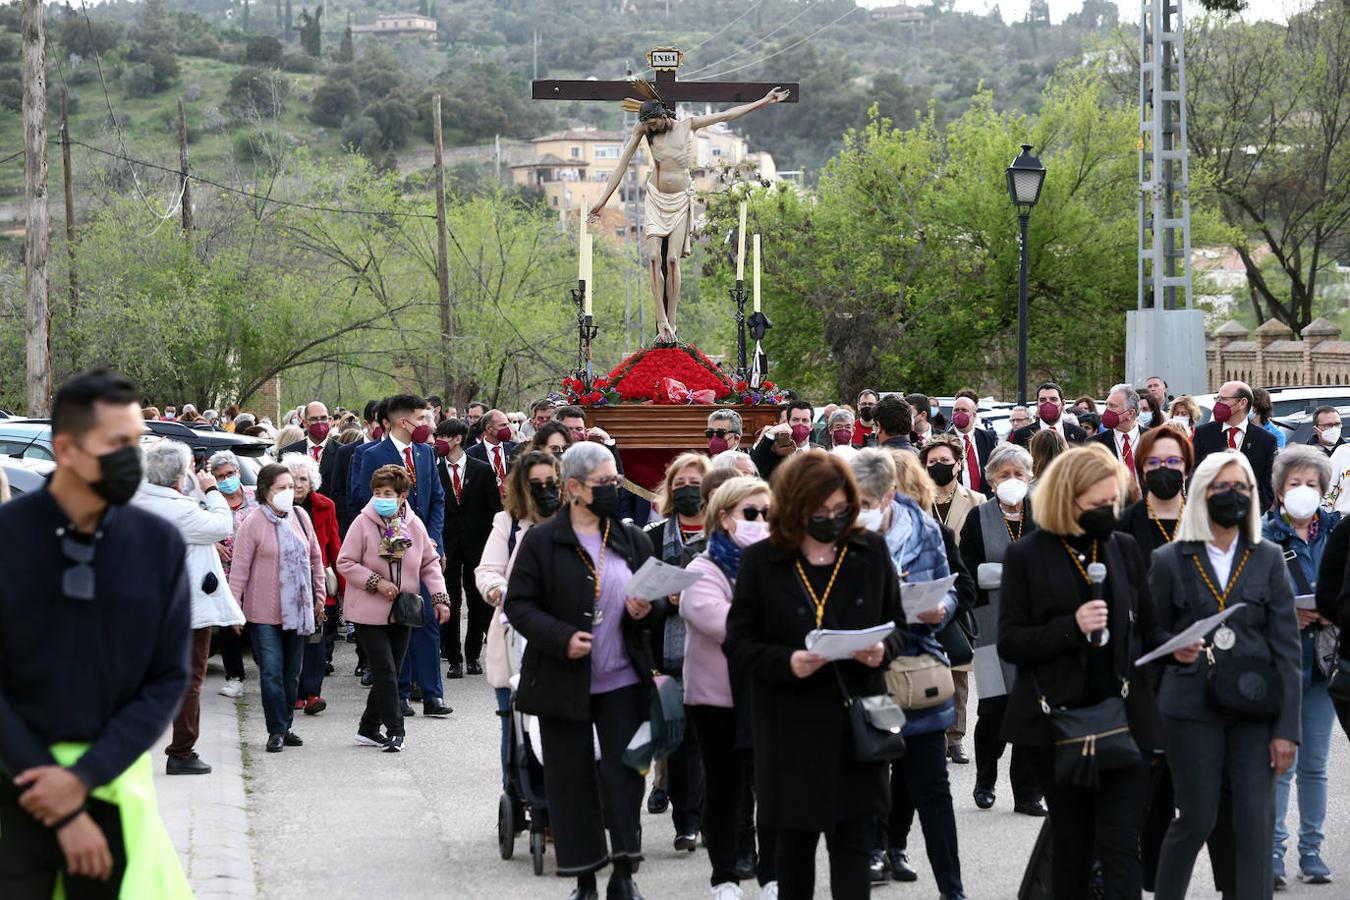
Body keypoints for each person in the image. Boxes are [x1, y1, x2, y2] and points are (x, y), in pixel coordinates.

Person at [0, 370, 192, 897]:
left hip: (113, 784)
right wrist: (54, 795)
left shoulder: (157, 546)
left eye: (137, 441)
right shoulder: (8, 539)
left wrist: (83, 778)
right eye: (117, 444)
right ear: (66, 448)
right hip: (15, 787)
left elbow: (167, 678)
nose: (133, 457)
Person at [725, 451, 901, 900]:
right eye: (818, 513)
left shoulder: (869, 550)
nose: (830, 520)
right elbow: (739, 643)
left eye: (840, 511)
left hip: (856, 726)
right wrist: (787, 662)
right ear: (794, 507)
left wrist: (881, 650)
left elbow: (898, 626)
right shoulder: (763, 560)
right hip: (790, 729)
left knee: (853, 857)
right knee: (793, 860)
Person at [1000, 446, 1167, 899]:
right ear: (1065, 498)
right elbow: (1012, 641)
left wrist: (1174, 653)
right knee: (1072, 846)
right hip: (1053, 725)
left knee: (1119, 848)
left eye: (1113, 503)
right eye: (1096, 505)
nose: (1107, 513)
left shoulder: (1125, 547)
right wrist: (1071, 628)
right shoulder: (1027, 556)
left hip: (1123, 719)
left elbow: (1149, 629)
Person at [505, 441, 659, 900]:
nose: (615, 488)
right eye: (605, 482)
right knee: (571, 783)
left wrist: (645, 609)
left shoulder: (632, 538)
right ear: (573, 487)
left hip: (623, 683)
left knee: (624, 778)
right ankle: (585, 878)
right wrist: (561, 638)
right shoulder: (543, 540)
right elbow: (519, 604)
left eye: (616, 480)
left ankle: (624, 874)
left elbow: (654, 604)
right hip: (562, 683)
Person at [1150, 451, 1301, 900]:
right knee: (1197, 817)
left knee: (1255, 822)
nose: (1232, 496)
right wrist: (1172, 650)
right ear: (1201, 494)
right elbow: (1148, 637)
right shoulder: (1168, 559)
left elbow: (1288, 650)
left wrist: (1286, 731)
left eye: (1241, 488)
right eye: (1222, 488)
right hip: (1190, 709)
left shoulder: (1269, 557)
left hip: (1256, 708)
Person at [849, 450, 966, 898]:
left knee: (932, 787)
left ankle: (952, 889)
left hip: (917, 669)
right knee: (868, 786)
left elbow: (951, 585)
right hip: (862, 675)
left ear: (891, 495)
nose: (861, 509)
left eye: (870, 500)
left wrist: (941, 608)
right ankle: (875, 853)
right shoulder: (838, 534)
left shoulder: (926, 529)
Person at [587, 89, 789, 342]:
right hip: (655, 197)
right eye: (647, 125)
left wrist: (765, 101)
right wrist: (602, 201)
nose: (650, 128)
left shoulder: (688, 125)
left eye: (653, 123)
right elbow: (622, 164)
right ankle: (660, 320)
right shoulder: (644, 131)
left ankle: (672, 321)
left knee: (672, 260)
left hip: (681, 199)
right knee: (652, 258)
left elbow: (727, 114)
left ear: (662, 115)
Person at [680, 475, 779, 900]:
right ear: (724, 518)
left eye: (768, 514)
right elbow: (725, 624)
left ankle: (774, 874)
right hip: (716, 699)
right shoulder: (702, 568)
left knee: (773, 789)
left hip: (771, 694)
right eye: (751, 514)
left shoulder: (781, 563)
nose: (761, 522)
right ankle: (724, 876)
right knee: (725, 790)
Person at [132, 440, 243, 775]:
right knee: (190, 680)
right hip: (186, 611)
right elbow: (223, 525)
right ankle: (181, 752)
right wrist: (211, 490)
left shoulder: (140, 501)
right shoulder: (178, 510)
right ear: (180, 476)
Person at [1261, 445, 1338, 887]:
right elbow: (1250, 597)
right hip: (1281, 662)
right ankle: (1272, 853)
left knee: (1315, 764)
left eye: (1311, 484)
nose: (1303, 491)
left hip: (1324, 663)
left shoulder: (1336, 533)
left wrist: (1332, 608)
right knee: (1280, 762)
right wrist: (1287, 610)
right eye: (1295, 484)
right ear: (1279, 490)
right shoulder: (1266, 536)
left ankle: (1312, 851)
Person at [337, 464, 451, 752]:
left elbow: (429, 562)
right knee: (386, 672)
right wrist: (375, 581)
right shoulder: (362, 523)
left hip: (403, 610)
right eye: (377, 492)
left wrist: (439, 597)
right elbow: (345, 562)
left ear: (402, 496)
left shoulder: (414, 524)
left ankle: (367, 728)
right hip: (367, 611)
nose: (381, 497)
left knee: (391, 670)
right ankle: (396, 730)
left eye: (388, 492)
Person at [958, 443, 1046, 816]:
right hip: (992, 626)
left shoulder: (1042, 515)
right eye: (1004, 475)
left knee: (1030, 711)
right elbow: (971, 573)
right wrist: (1021, 574)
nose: (1012, 481)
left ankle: (1027, 794)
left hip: (1035, 629)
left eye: (1019, 475)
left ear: (1030, 479)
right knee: (994, 709)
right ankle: (985, 779)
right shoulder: (979, 518)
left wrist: (1006, 574)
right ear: (992, 480)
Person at [352, 394, 451, 718]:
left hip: (423, 551)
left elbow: (437, 498)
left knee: (429, 620)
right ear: (401, 421)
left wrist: (433, 542)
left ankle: (433, 694)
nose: (427, 425)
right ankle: (402, 692)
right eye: (422, 419)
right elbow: (361, 500)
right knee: (400, 620)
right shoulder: (371, 453)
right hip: (387, 555)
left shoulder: (425, 453)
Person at [475, 450, 563, 785]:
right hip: (517, 637)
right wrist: (500, 591)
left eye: (550, 483)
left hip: (563, 635)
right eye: (535, 484)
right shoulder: (508, 523)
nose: (544, 490)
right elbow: (488, 570)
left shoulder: (574, 520)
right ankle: (518, 791)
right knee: (514, 727)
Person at [228, 463, 326, 753]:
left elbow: (315, 558)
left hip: (298, 610)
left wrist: (319, 594)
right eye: (280, 488)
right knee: (271, 671)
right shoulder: (253, 523)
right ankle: (276, 730)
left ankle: (287, 724)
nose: (288, 492)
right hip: (263, 613)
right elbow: (239, 570)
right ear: (265, 492)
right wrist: (234, 608)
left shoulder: (301, 516)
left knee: (291, 674)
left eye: (290, 486)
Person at [643, 452, 711, 851]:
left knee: (710, 745)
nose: (687, 491)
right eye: (679, 484)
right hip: (665, 656)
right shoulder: (652, 538)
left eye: (695, 484)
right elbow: (636, 598)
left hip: (714, 654)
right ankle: (686, 822)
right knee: (681, 743)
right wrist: (668, 600)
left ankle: (710, 817)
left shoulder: (725, 534)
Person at [921, 434, 985, 764]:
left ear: (958, 464)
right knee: (927, 663)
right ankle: (927, 730)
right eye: (932, 463)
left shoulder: (976, 499)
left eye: (945, 461)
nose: (939, 467)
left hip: (961, 590)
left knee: (959, 666)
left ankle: (954, 737)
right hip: (925, 591)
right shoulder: (917, 501)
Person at [436, 418, 502, 678]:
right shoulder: (435, 468)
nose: (438, 442)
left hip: (477, 543)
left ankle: (473, 654)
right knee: (450, 600)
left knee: (479, 602)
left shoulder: (482, 469)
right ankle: (454, 658)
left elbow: (494, 507)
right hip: (447, 545)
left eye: (443, 437)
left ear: (457, 439)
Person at [283, 453, 342, 716]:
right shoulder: (278, 507)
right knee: (293, 639)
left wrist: (342, 584)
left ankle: (312, 693)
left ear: (312, 482)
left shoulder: (325, 505)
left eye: (303, 479)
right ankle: (294, 693)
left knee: (316, 641)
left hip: (318, 579)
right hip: (288, 581)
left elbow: (334, 543)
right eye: (293, 479)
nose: (298, 484)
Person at [209, 450, 255, 699]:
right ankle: (235, 676)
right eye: (221, 476)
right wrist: (213, 544)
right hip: (225, 575)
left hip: (256, 573)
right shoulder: (210, 502)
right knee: (229, 626)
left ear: (238, 472)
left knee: (258, 624)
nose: (227, 479)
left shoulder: (256, 497)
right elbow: (197, 530)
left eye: (230, 473)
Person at [1192, 381, 1279, 512]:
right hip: (1210, 515)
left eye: (1224, 399)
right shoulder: (1203, 434)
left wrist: (1249, 513)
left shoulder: (1266, 440)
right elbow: (1194, 476)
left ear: (1242, 403)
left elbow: (1267, 485)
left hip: (1249, 518)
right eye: (1217, 398)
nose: (1218, 404)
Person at [1116, 425, 1192, 561]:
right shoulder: (1123, 524)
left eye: (1173, 461)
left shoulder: (1205, 519)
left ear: (1186, 469)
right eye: (1153, 462)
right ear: (1142, 470)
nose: (1163, 467)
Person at [279, 401, 339, 496]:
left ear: (330, 421)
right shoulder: (288, 452)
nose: (319, 423)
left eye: (323, 418)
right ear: (304, 423)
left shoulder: (343, 452)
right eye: (314, 419)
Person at [750, 400, 815, 481]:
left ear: (811, 426)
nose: (800, 424)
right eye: (795, 420)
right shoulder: (774, 452)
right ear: (787, 423)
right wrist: (769, 435)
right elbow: (754, 468)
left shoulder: (820, 453)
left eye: (805, 420)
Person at [1092, 384, 1144, 482]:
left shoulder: (1153, 439)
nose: (1107, 410)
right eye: (1106, 405)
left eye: (1112, 406)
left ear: (1130, 413)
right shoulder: (1094, 444)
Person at [1012, 382, 1089, 446]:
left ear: (1063, 403)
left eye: (1053, 399)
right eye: (1042, 400)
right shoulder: (1021, 435)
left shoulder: (1079, 433)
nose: (1048, 404)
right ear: (1037, 404)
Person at [948, 393, 996, 495]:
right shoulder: (944, 440)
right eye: (956, 410)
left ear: (974, 416)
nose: (959, 414)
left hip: (984, 499)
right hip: (956, 500)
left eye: (964, 410)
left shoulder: (987, 438)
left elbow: (994, 470)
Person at [467, 408, 519, 491]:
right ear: (489, 428)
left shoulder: (516, 448)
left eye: (507, 424)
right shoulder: (471, 454)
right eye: (503, 425)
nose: (507, 428)